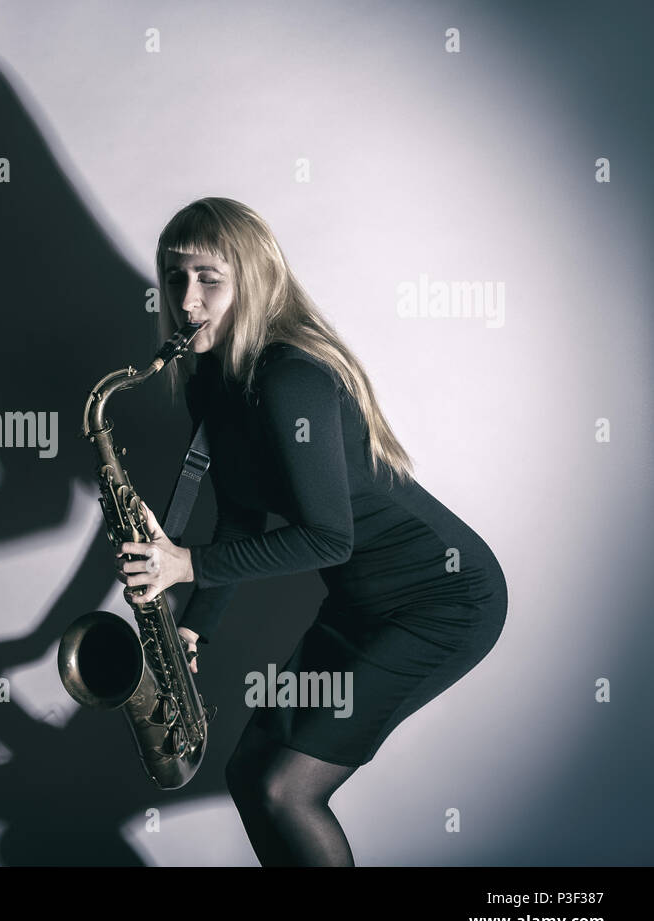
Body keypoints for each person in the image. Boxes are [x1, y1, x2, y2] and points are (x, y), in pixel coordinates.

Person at [115, 197, 509, 866]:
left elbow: (330, 539)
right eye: (175, 276)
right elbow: (240, 513)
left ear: (254, 279)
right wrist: (193, 625)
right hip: (359, 605)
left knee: (285, 790)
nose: (187, 299)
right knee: (249, 775)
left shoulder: (292, 377)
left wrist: (184, 566)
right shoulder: (213, 382)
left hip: (442, 601)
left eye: (209, 277)